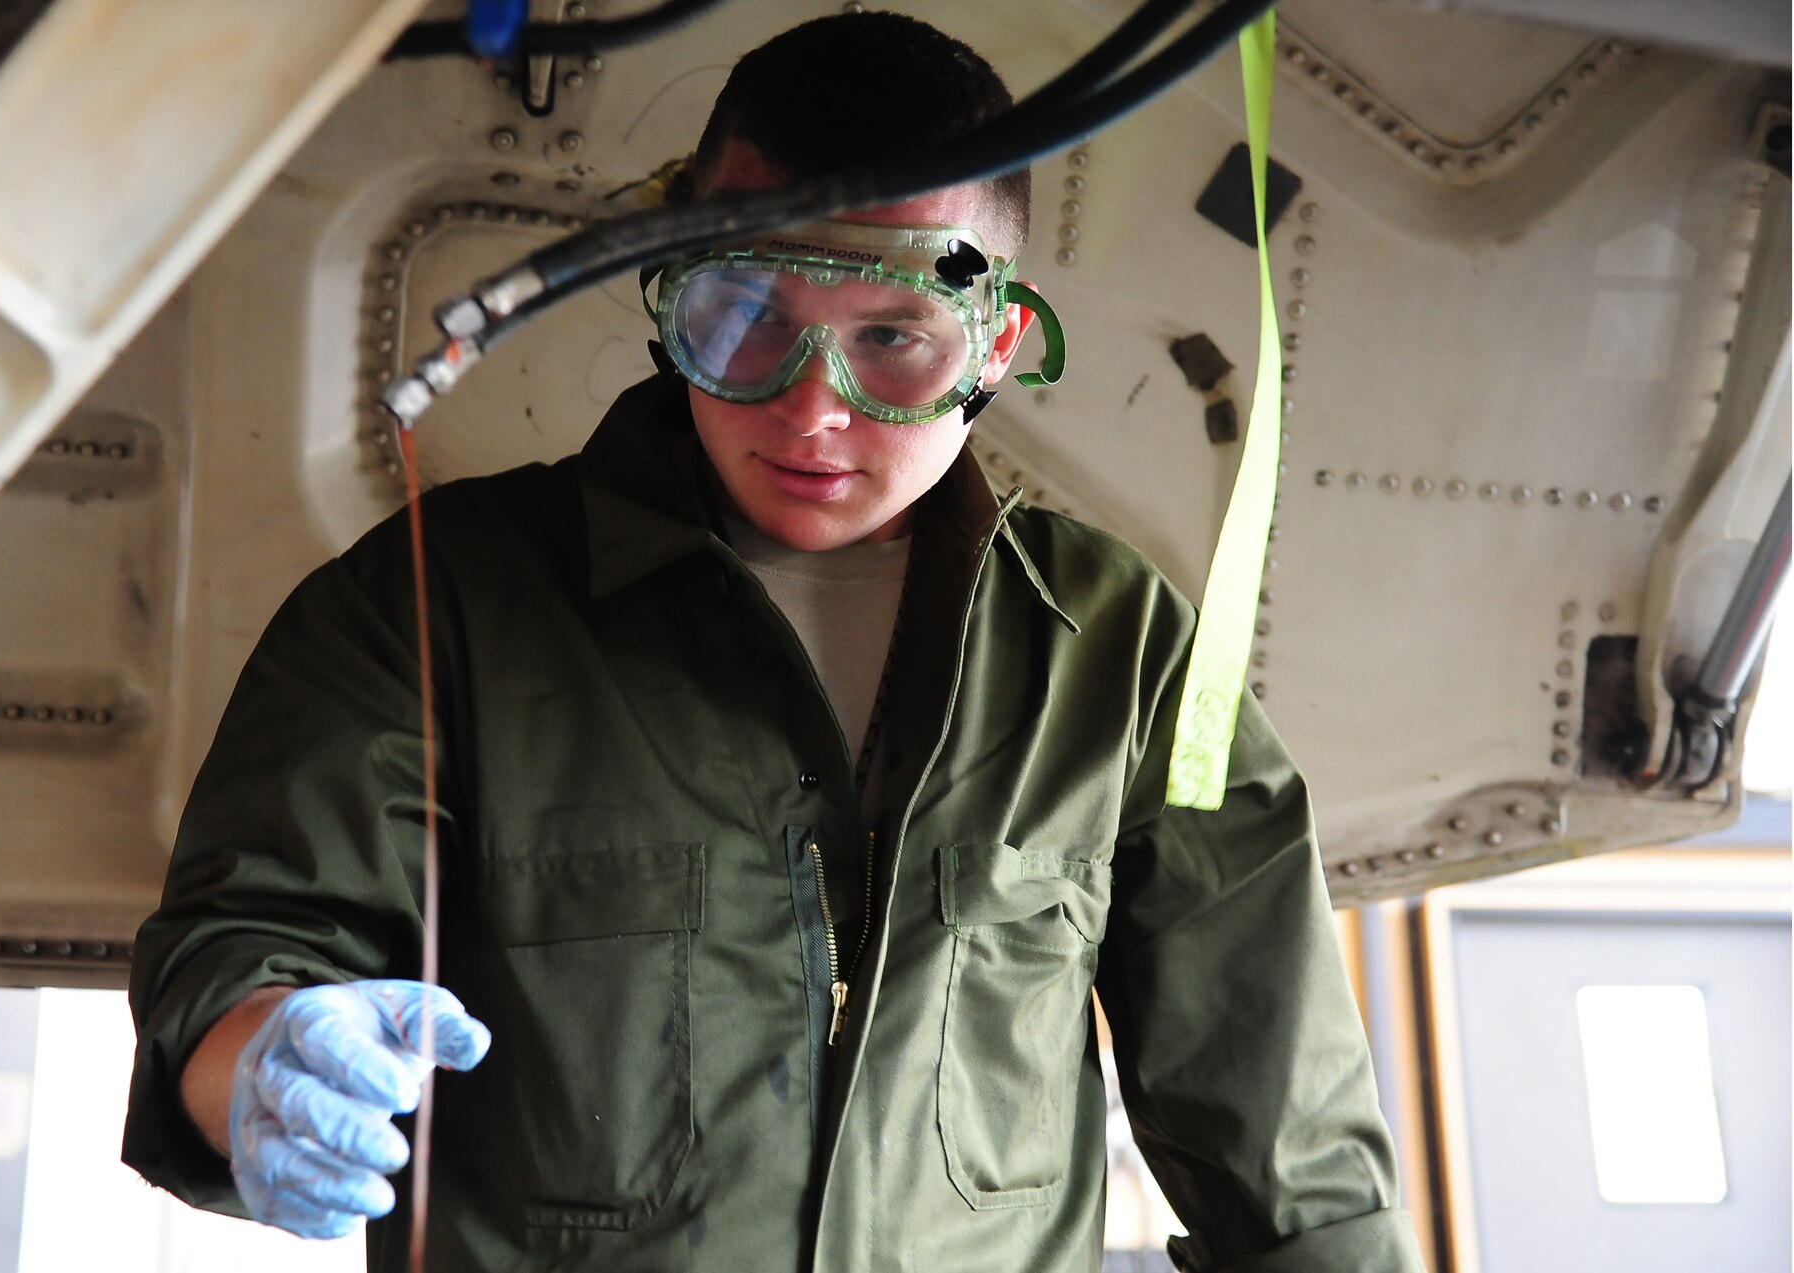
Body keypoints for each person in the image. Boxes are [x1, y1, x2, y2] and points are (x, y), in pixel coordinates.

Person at [124, 12, 1426, 1272]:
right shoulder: (436, 601)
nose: (812, 410)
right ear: (666, 300)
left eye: (894, 342)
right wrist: (262, 1055)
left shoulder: (1116, 652)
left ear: (999, 347)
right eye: (745, 318)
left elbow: (1286, 1157)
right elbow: (240, 950)